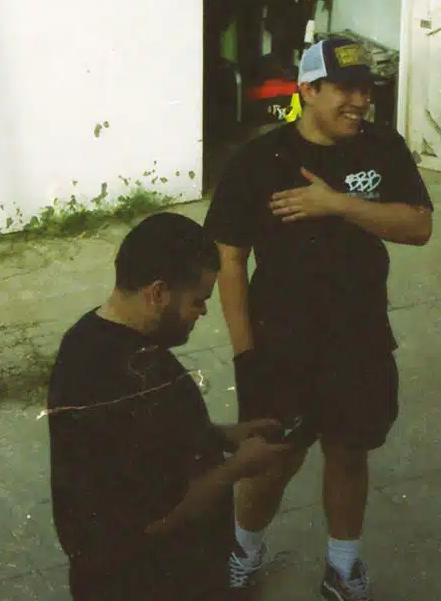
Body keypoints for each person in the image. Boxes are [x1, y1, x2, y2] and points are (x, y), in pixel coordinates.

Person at [204, 36, 434, 600]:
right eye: (345, 89)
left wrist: (339, 204)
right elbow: (229, 259)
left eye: (366, 90)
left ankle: (342, 566)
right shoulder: (259, 160)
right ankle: (243, 550)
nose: (360, 102)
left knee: (349, 451)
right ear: (307, 90)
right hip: (282, 341)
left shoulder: (382, 147)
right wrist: (245, 354)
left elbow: (419, 226)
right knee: (274, 460)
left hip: (360, 335)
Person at [46, 212, 292, 600]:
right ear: (158, 293)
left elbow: (156, 440)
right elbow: (154, 521)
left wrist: (224, 436)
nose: (204, 311)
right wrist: (236, 469)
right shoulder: (111, 379)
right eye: (198, 300)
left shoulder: (92, 336)